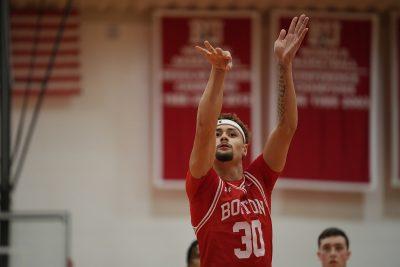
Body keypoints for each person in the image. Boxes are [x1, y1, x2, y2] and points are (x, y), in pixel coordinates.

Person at [185, 14, 309, 267]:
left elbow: (287, 127)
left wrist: (285, 66)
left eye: (231, 134)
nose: (222, 137)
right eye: (219, 133)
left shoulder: (260, 179)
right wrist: (218, 72)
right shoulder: (203, 186)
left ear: (244, 149)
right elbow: (204, 126)